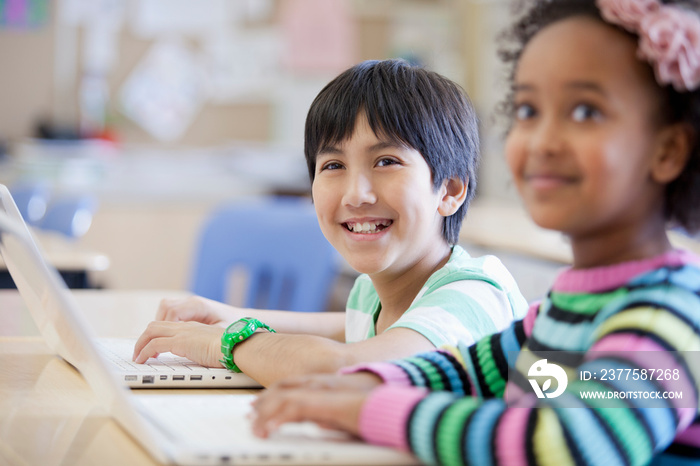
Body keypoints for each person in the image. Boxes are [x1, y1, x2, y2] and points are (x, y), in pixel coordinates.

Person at [250, 0, 700, 464]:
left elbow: (562, 445)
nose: (542, 140)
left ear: (667, 150)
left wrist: (371, 406)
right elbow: (465, 370)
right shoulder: (561, 309)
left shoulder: (671, 317)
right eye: (528, 110)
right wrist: (358, 384)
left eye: (585, 111)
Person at [132, 59, 528, 387]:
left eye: (386, 161)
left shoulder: (473, 296)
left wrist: (226, 342)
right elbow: (345, 327)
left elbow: (346, 369)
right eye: (333, 165)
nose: (356, 194)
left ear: (449, 191)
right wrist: (228, 314)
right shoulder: (380, 293)